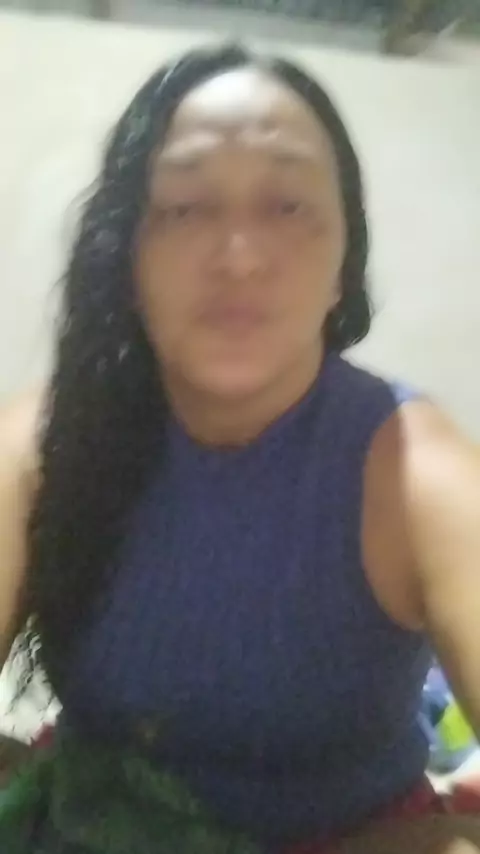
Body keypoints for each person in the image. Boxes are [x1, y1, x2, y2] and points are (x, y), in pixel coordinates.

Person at [0, 42, 480, 854]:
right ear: (129, 254)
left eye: (287, 206)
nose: (239, 258)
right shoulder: (48, 441)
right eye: (186, 208)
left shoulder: (415, 472)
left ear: (344, 263)